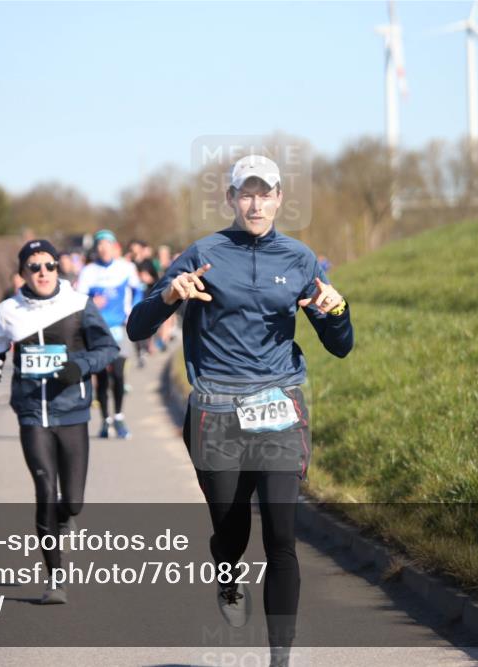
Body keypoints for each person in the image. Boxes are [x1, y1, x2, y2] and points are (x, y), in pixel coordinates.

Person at [127, 155, 353, 667]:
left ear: (279, 198)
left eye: (264, 193)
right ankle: (227, 577)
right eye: (245, 194)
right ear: (231, 199)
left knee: (281, 535)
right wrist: (168, 297)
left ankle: (279, 659)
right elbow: (137, 328)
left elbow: (340, 345)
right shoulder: (203, 253)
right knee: (230, 533)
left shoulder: (299, 259)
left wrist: (337, 312)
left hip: (279, 404)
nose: (255, 203)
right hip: (216, 410)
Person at [0, 239, 118, 604]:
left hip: (71, 411)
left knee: (72, 502)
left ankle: (64, 516)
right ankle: (56, 578)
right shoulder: (7, 311)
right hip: (31, 413)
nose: (43, 272)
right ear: (22, 272)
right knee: (44, 489)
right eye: (34, 266)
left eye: (49, 265)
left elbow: (108, 348)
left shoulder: (78, 304)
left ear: (59, 268)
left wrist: (80, 366)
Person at [76, 229, 143, 439]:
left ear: (115, 247)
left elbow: (138, 292)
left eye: (107, 244)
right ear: (96, 249)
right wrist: (91, 303)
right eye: (99, 245)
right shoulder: (88, 271)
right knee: (102, 378)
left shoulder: (126, 268)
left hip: (120, 328)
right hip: (97, 331)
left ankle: (120, 417)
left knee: (119, 375)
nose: (103, 248)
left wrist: (133, 313)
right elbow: (78, 300)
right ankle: (105, 421)